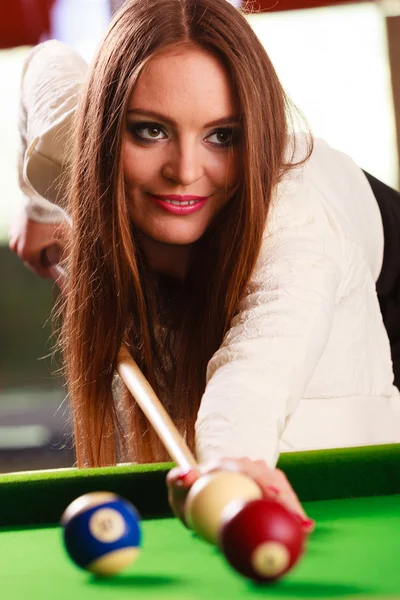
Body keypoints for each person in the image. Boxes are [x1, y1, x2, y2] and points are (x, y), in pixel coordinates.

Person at [9, 0, 400, 531]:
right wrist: (40, 209)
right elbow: (46, 64)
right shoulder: (72, 146)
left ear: (253, 133)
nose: (185, 171)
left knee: (318, 419)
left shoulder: (298, 225)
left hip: (380, 276)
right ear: (99, 130)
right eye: (150, 131)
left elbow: (262, 363)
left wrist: (230, 459)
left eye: (222, 135)